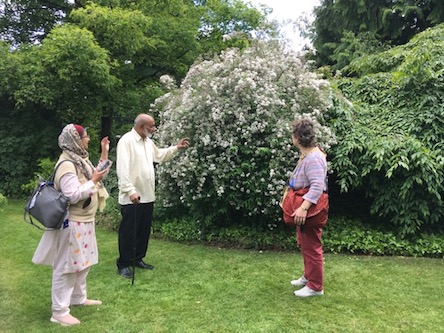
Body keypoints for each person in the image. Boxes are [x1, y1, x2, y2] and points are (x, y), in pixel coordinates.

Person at [32, 124, 111, 326]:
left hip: (84, 221)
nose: (89, 139)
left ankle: (78, 297)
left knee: (82, 263)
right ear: (76, 140)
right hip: (71, 222)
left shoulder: (80, 160)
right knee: (66, 266)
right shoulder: (67, 164)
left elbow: (97, 175)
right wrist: (93, 180)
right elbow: (72, 195)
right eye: (86, 136)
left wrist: (104, 153)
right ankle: (59, 311)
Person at [116, 114, 190, 278]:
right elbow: (122, 170)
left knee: (143, 230)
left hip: (147, 195)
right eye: (152, 126)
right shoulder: (126, 141)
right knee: (129, 232)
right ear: (142, 126)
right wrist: (130, 191)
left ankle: (138, 258)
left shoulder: (148, 142)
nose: (154, 129)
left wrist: (176, 148)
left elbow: (159, 156)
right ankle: (124, 263)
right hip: (132, 197)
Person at [287, 118, 329, 297]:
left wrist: (303, 207)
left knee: (312, 246)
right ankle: (308, 276)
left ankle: (315, 287)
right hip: (304, 205)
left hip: (309, 209)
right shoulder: (309, 154)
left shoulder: (313, 157)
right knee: (305, 243)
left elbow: (317, 185)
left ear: (297, 137)